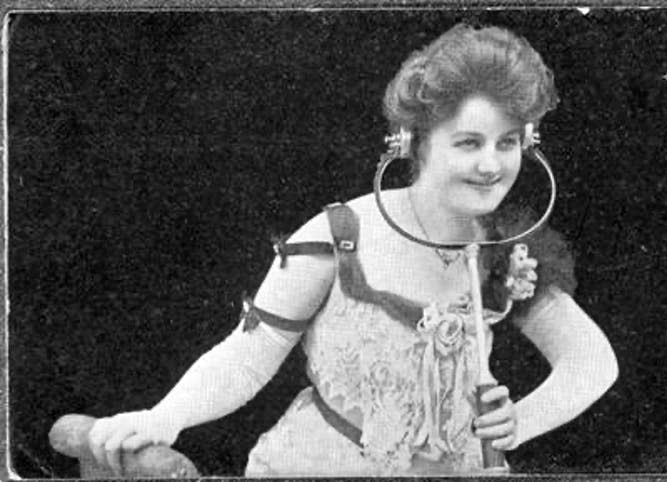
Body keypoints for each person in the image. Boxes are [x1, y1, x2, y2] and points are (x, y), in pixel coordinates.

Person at [87, 23, 619, 476]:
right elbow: (247, 359)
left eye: (507, 143)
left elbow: (591, 361)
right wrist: (165, 416)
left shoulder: (505, 247)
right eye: (468, 143)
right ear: (415, 143)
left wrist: (519, 423)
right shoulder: (339, 234)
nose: (491, 165)